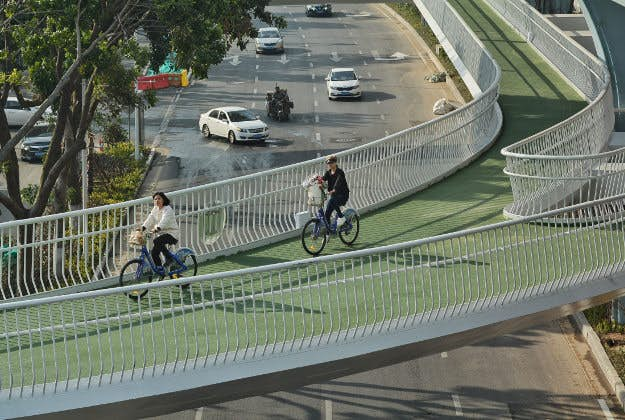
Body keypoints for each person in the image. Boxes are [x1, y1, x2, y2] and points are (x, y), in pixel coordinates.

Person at [140, 192, 180, 273]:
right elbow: (150, 219)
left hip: (172, 233)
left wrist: (157, 228)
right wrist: (142, 228)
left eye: (159, 198)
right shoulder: (155, 209)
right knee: (154, 253)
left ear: (163, 199)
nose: (157, 200)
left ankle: (169, 258)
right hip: (162, 234)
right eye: (155, 199)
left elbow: (164, 221)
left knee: (156, 241)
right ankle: (160, 269)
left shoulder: (167, 209)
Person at [322, 155, 350, 227]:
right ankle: (328, 233)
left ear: (335, 162)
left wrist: (334, 190)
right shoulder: (328, 172)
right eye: (328, 163)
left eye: (331, 162)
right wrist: (316, 181)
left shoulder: (340, 172)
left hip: (343, 196)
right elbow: (323, 179)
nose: (330, 164)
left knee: (332, 201)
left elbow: (338, 182)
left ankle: (341, 217)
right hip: (334, 196)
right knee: (327, 214)